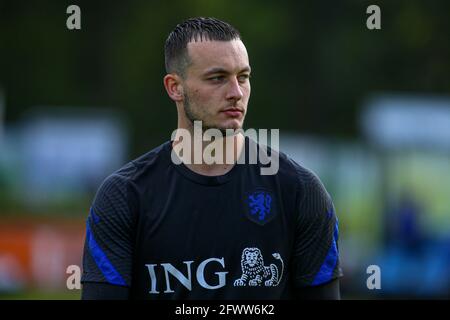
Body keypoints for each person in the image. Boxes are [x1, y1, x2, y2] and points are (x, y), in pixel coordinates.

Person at [81, 17, 342, 300]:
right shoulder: (125, 196)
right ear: (174, 88)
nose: (236, 93)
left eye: (243, 77)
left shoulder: (299, 192)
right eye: (217, 78)